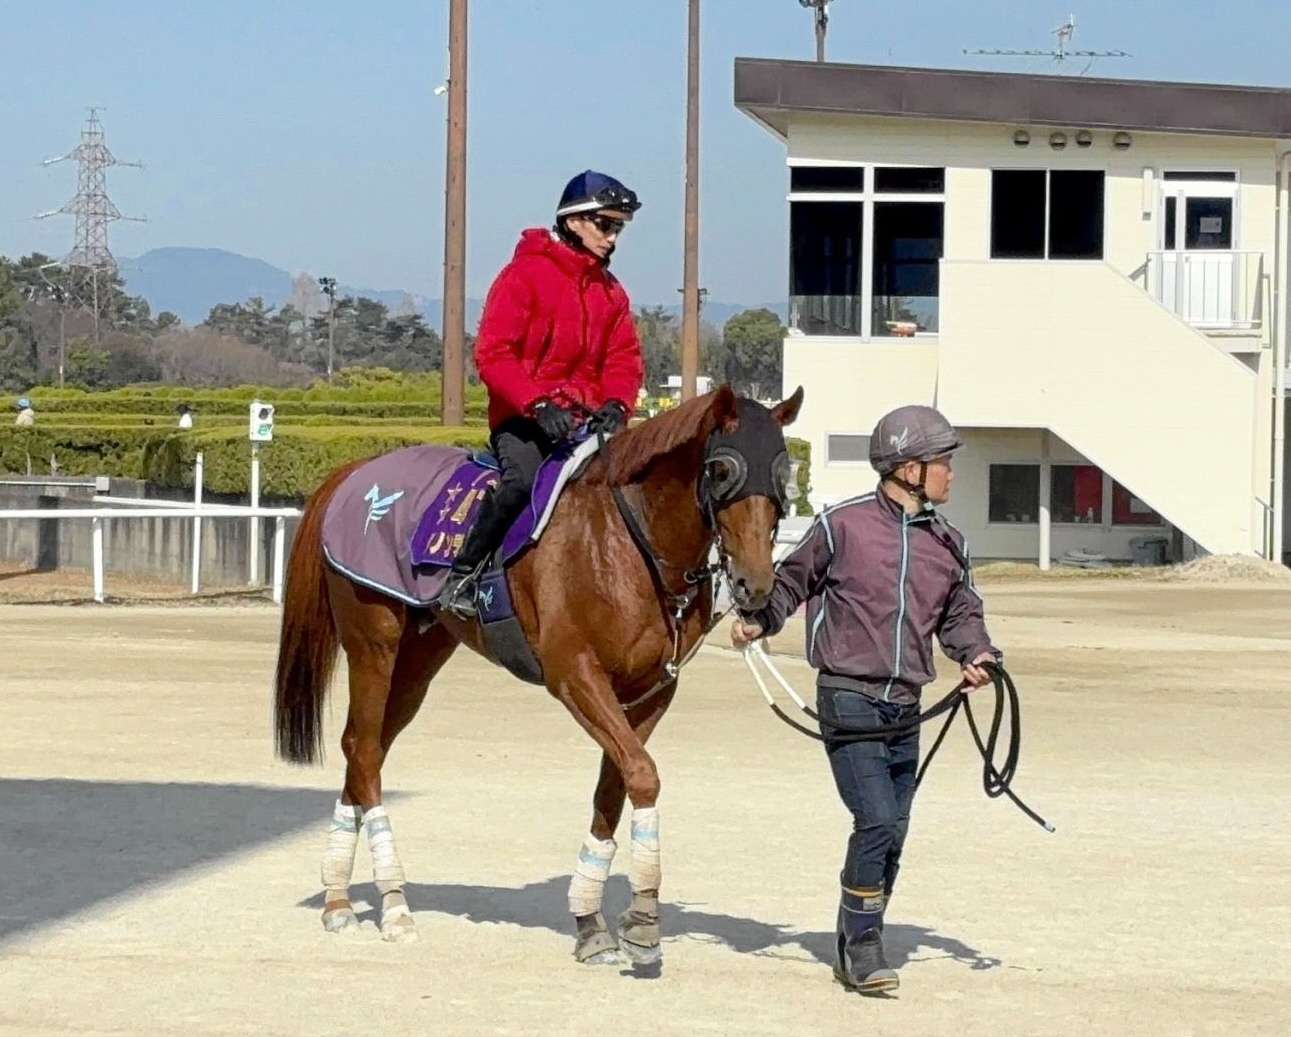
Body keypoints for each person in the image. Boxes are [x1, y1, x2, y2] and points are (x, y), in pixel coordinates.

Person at [730, 404, 1002, 996]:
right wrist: (761, 620)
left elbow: (961, 613)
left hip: (907, 703)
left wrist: (976, 654)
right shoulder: (842, 525)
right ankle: (863, 948)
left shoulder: (948, 542)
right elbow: (793, 581)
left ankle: (856, 932)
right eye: (943, 463)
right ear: (909, 468)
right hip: (848, 695)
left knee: (894, 829)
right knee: (876, 818)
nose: (951, 473)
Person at [438, 170, 646, 618]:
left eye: (617, 229)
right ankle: (464, 576)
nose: (612, 238)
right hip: (523, 419)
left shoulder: (612, 293)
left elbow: (624, 358)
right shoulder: (522, 276)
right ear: (574, 222)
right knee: (521, 483)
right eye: (605, 225)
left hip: (586, 422)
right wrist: (537, 402)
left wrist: (617, 402)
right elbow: (493, 354)